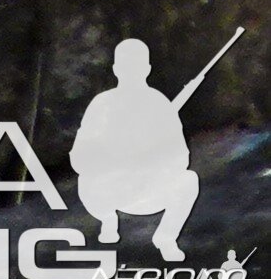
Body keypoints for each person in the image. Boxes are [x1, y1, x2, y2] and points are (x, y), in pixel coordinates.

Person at [75, 37, 202, 258]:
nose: (130, 71)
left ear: (147, 69)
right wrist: (112, 160)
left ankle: (166, 237)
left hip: (148, 188)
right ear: (116, 69)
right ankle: (107, 220)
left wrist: (153, 159)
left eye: (136, 66)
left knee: (188, 180)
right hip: (111, 189)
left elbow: (181, 158)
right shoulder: (101, 105)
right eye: (126, 66)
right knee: (86, 182)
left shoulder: (159, 104)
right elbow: (79, 158)